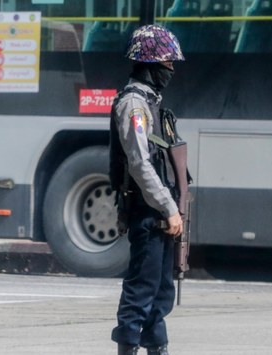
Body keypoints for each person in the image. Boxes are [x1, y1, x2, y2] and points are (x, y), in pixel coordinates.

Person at [109, 24, 185, 355]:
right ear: (148, 64)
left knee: (160, 292)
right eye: (167, 63)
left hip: (160, 214)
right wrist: (169, 208)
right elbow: (140, 164)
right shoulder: (134, 105)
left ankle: (158, 349)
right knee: (141, 292)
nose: (171, 70)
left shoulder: (151, 103)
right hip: (149, 214)